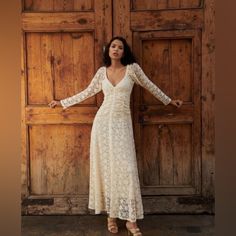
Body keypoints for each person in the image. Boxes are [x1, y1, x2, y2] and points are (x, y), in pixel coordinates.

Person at [49, 36, 183, 235]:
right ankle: (111, 216)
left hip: (122, 125)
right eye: (113, 46)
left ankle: (130, 220)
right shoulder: (102, 73)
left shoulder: (133, 70)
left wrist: (169, 101)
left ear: (124, 52)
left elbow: (150, 85)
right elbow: (87, 92)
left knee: (127, 169)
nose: (116, 49)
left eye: (120, 47)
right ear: (108, 50)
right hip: (102, 125)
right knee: (107, 170)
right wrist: (62, 102)